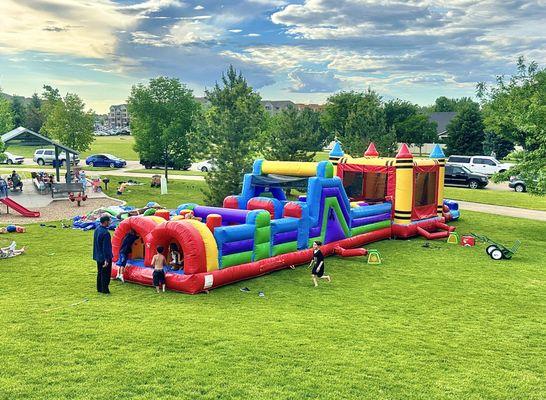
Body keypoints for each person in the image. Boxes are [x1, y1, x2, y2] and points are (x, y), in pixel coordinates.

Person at [93, 215, 113, 294]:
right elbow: (106, 248)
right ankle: (105, 290)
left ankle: (99, 288)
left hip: (98, 255)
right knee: (106, 274)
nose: (110, 222)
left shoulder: (97, 229)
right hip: (104, 257)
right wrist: (106, 259)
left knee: (100, 272)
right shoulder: (106, 233)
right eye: (109, 221)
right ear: (105, 222)